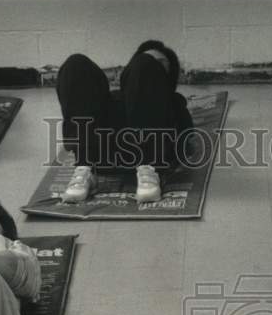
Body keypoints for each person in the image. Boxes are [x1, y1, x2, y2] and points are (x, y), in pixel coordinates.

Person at [54, 40, 194, 205]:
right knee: (76, 63)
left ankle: (149, 168)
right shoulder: (113, 99)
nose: (151, 67)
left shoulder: (173, 102)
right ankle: (85, 169)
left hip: (152, 155)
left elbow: (186, 134)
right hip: (99, 154)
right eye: (147, 63)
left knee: (144, 64)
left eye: (159, 65)